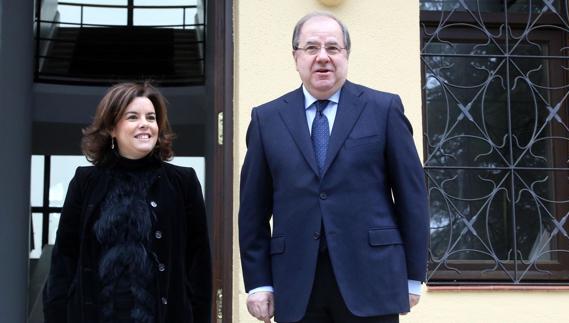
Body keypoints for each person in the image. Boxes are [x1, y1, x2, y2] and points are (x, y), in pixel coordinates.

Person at [239, 12, 429, 323]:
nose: (323, 57)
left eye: (333, 48)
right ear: (296, 57)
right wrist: (259, 282)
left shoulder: (384, 109)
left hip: (373, 279)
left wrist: (411, 276)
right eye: (311, 48)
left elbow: (412, 198)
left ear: (346, 55)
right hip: (297, 283)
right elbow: (252, 211)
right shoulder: (266, 119)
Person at [43, 82, 212, 323]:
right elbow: (64, 259)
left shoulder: (183, 182)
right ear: (112, 127)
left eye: (151, 118)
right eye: (133, 117)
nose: (145, 124)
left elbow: (199, 265)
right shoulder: (85, 182)